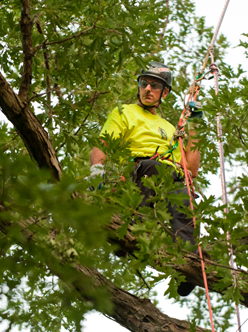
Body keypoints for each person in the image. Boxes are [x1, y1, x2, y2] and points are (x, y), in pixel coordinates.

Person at [90, 62, 201, 296]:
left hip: (170, 177)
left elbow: (190, 168)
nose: (148, 89)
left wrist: (194, 126)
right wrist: (97, 173)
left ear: (165, 92)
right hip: (139, 171)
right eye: (144, 83)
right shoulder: (125, 112)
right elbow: (103, 144)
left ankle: (187, 264)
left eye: (155, 85)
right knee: (154, 167)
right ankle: (129, 232)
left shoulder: (171, 127)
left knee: (185, 199)